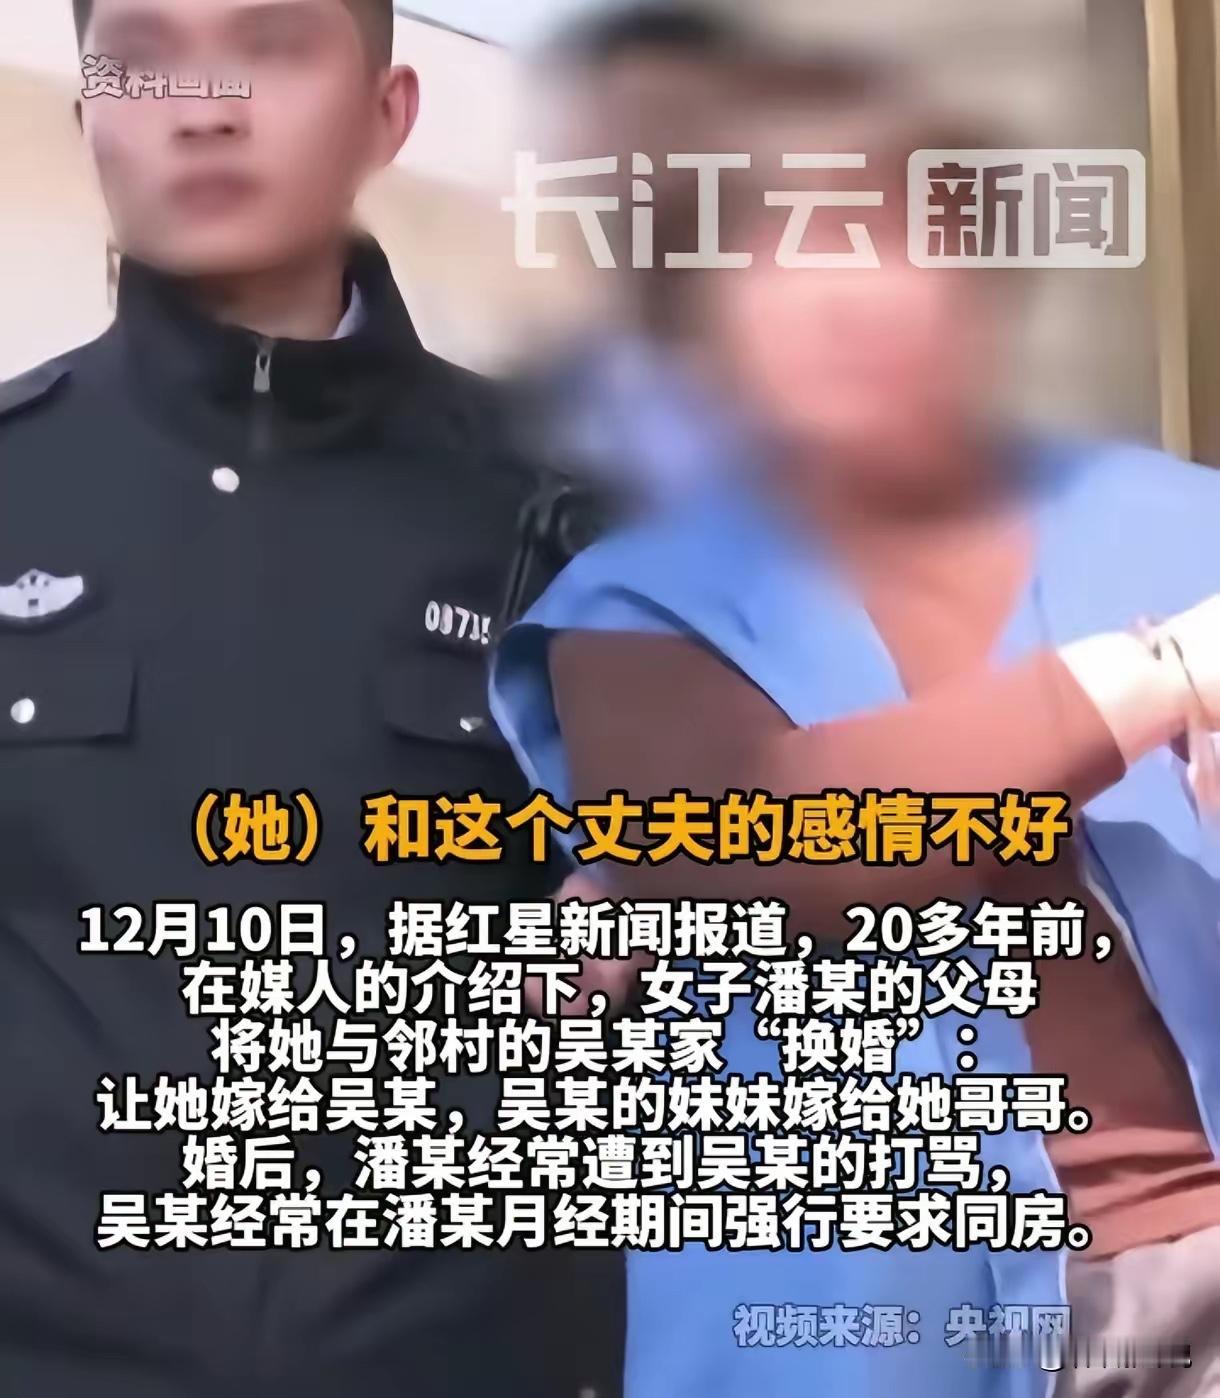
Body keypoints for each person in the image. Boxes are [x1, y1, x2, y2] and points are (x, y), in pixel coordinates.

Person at [492, 58, 1220, 1398]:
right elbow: (755, 837)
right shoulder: (638, 601)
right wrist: (1162, 675)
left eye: (892, 231)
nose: (841, 290)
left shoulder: (1186, 526)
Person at [0, 1, 618, 1394]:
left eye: (272, 46)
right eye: (143, 58)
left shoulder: (577, 517)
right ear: (88, 114)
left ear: (388, 114)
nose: (204, 105)